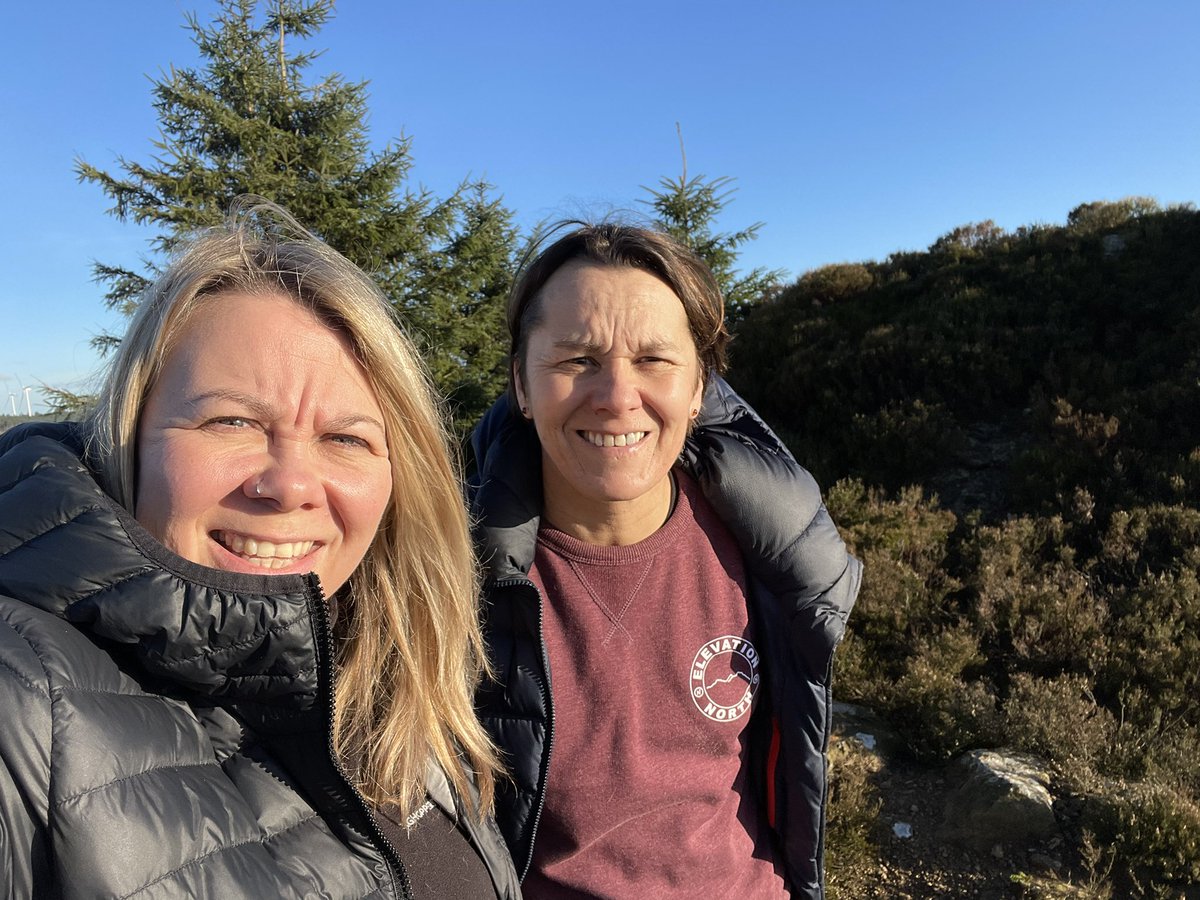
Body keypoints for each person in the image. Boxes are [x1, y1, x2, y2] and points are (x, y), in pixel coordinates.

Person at [0, 198, 520, 899]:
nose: (290, 484)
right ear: (127, 436)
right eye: (231, 420)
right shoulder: (24, 701)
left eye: (346, 438)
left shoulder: (396, 675)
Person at [468, 223, 862, 899]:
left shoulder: (767, 553)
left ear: (699, 387)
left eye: (654, 360)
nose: (618, 396)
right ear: (522, 386)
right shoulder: (452, 576)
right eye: (575, 361)